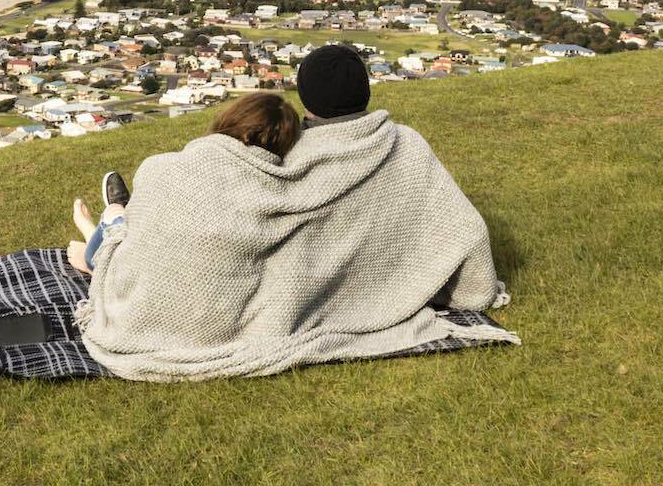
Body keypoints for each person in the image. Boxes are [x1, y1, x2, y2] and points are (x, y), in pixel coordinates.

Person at [66, 43, 514, 379]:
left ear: (306, 96)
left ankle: (106, 230)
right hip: (339, 286)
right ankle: (108, 225)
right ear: (364, 91)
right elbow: (461, 225)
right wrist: (467, 285)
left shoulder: (290, 156)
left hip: (241, 290)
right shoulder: (406, 145)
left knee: (123, 237)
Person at [66, 93, 301, 273]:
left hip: (153, 275)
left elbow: (138, 264)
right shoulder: (283, 195)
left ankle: (98, 232)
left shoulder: (161, 166)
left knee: (114, 215)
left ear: (228, 122)